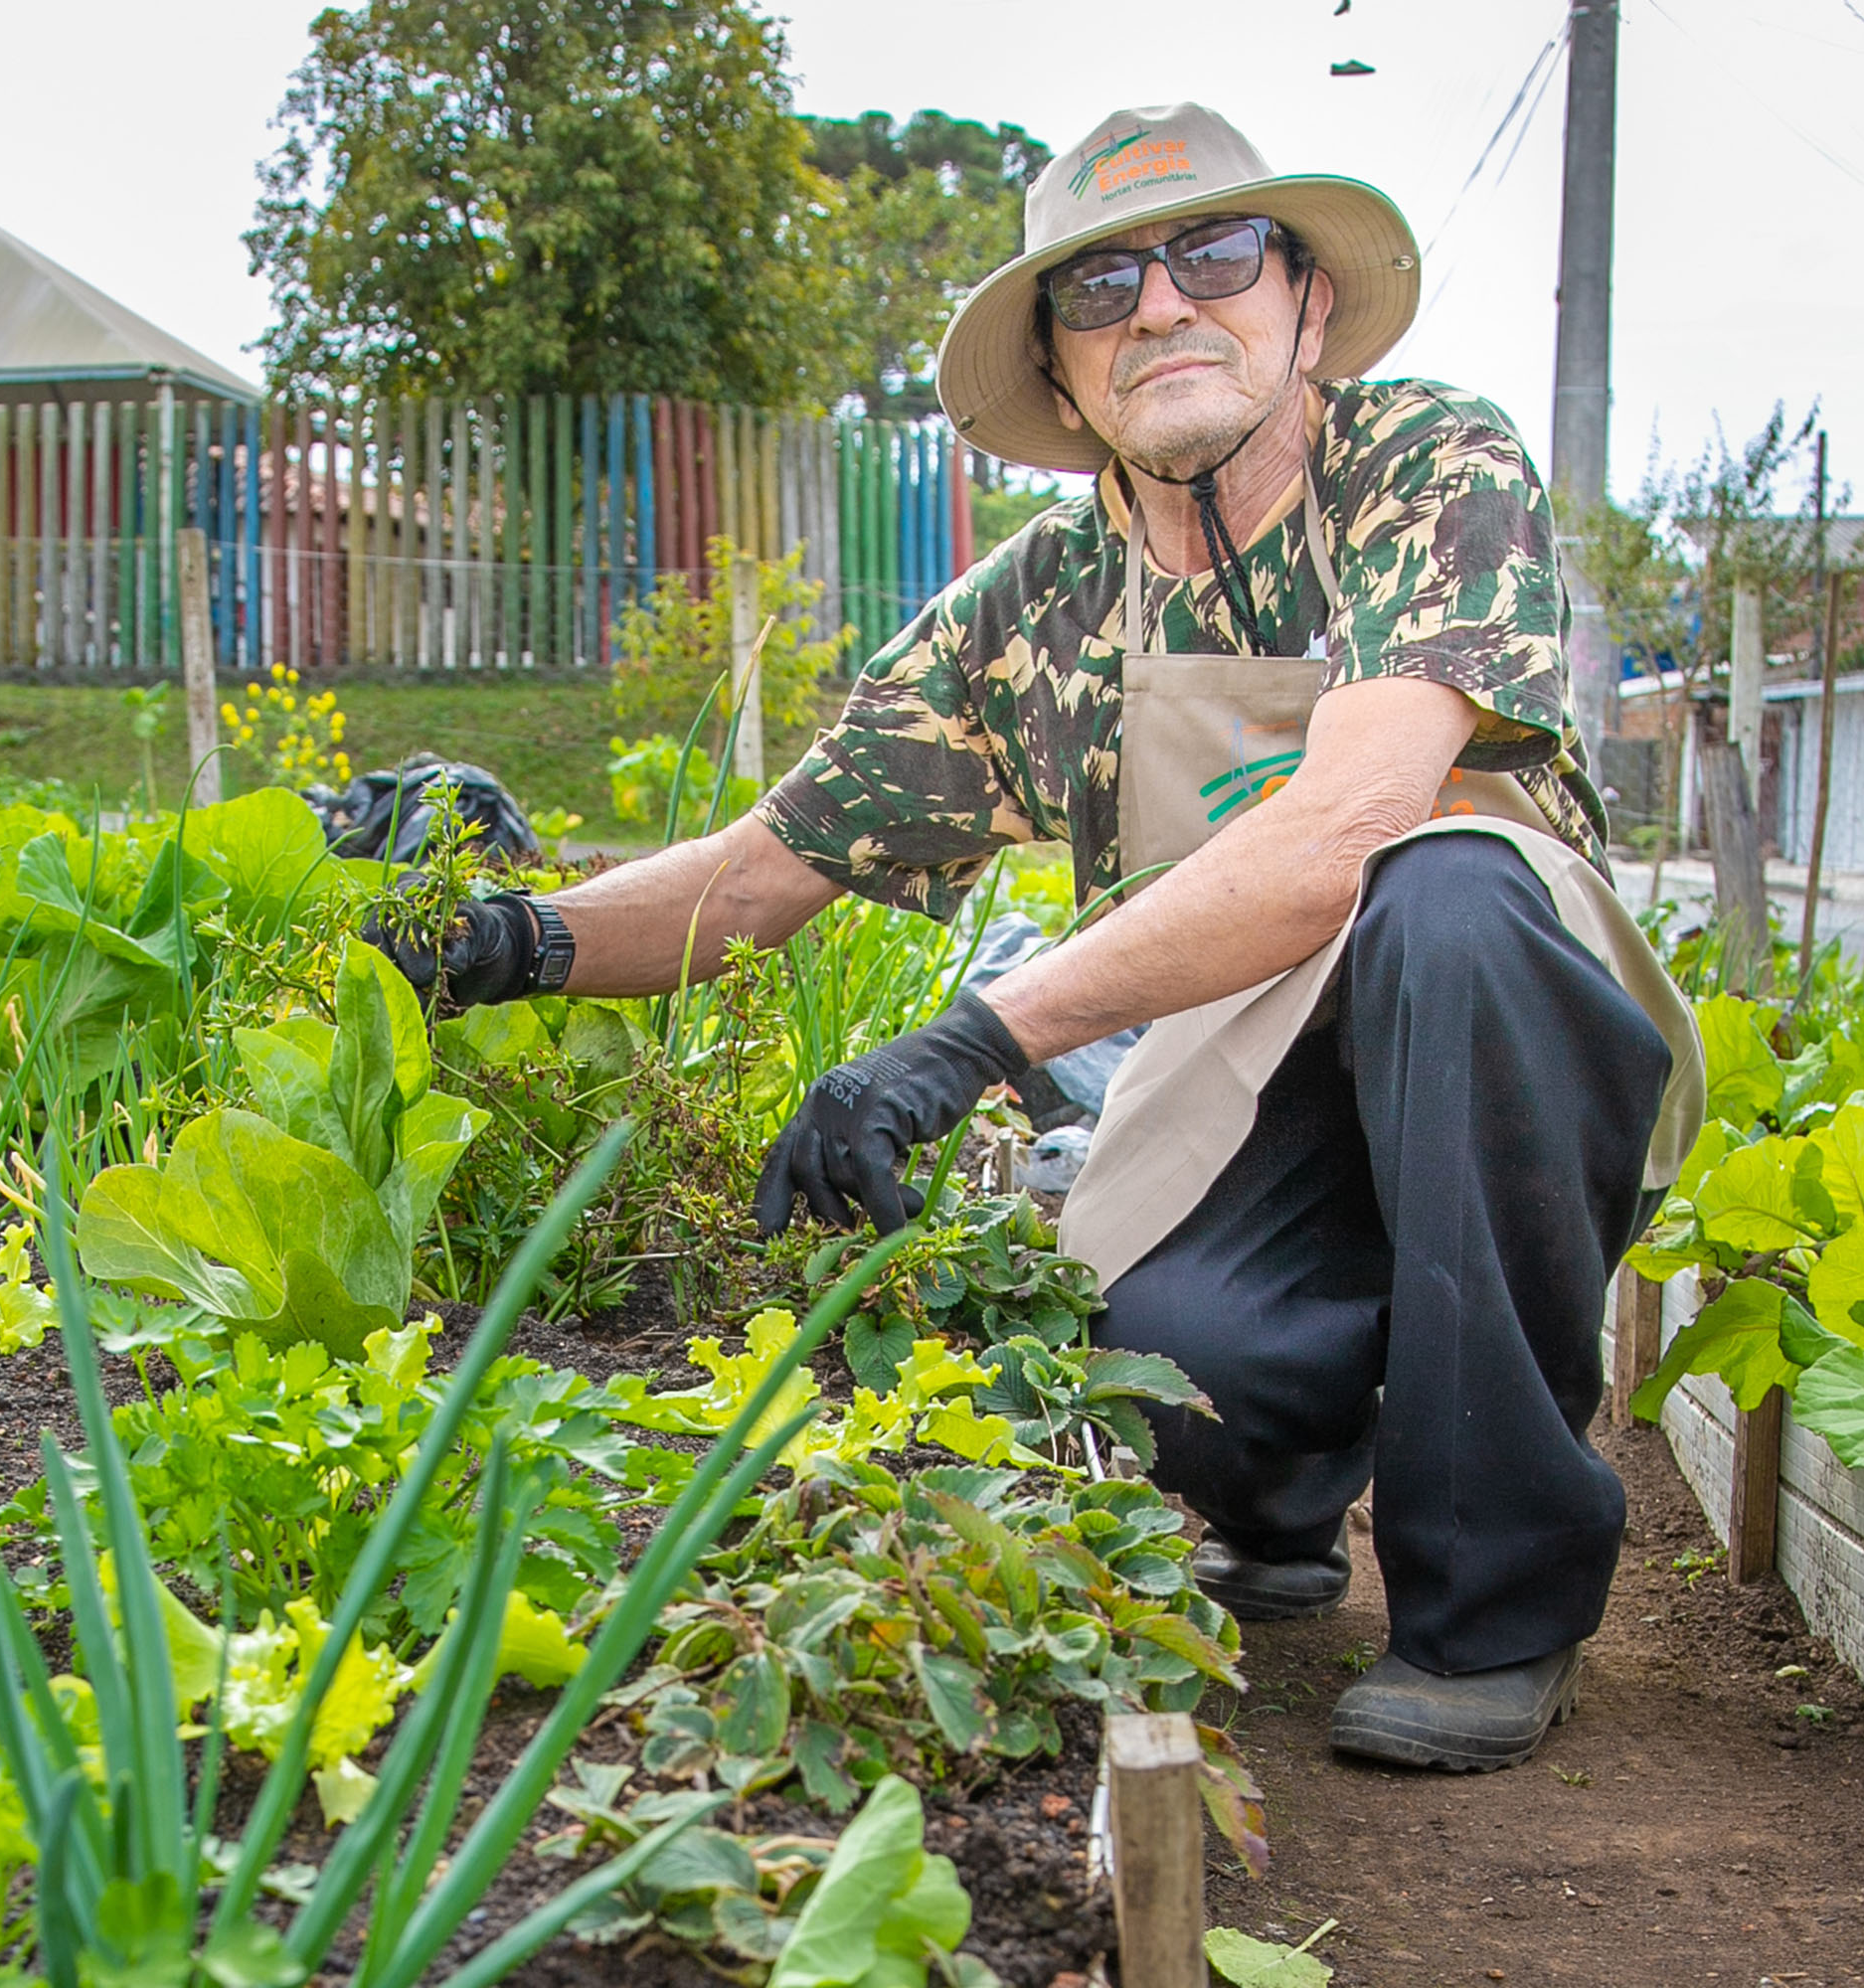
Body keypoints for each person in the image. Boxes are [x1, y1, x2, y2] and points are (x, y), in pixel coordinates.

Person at [374, 102, 1702, 1773]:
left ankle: (1494, 1610)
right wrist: (489, 939)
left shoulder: (1428, 466)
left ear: (1304, 300)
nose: (1161, 306)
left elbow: (1343, 845)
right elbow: (761, 873)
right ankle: (1276, 1493)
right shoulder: (1029, 613)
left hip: (1506, 1056)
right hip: (1249, 1085)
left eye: (1216, 256)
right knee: (1150, 1369)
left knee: (1444, 897)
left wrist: (977, 1040)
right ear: (1065, 380)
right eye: (1100, 288)